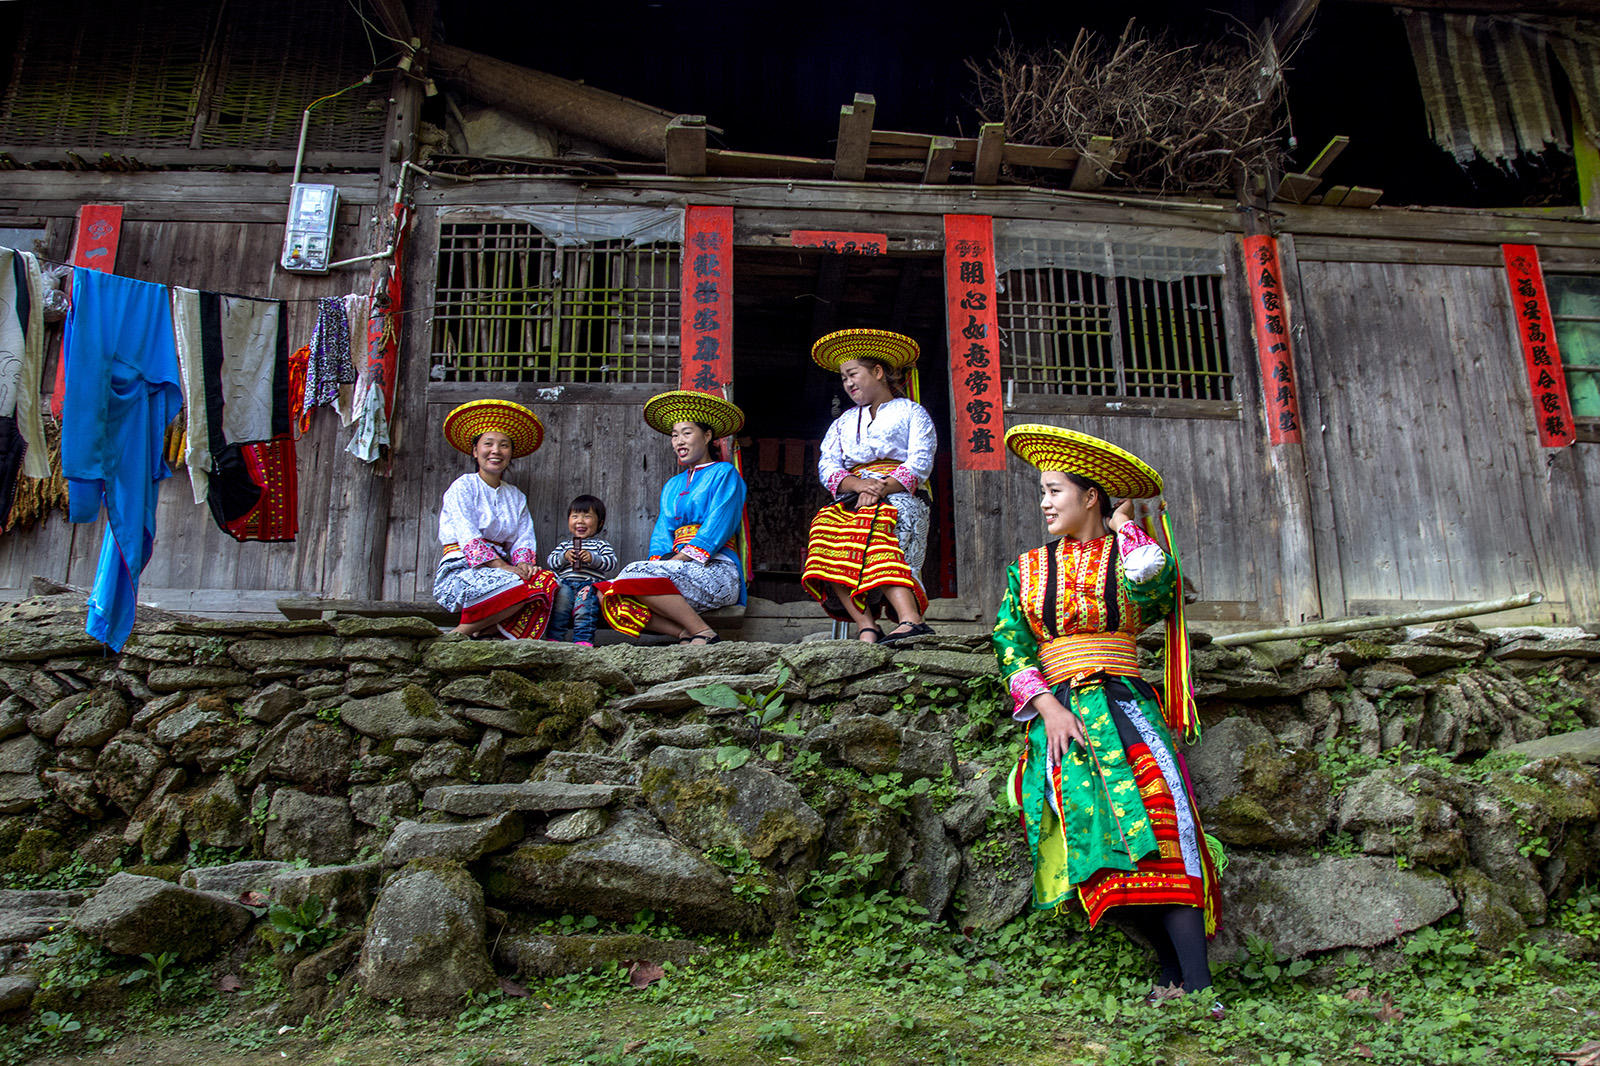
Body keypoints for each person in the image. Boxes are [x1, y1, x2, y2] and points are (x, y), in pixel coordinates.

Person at [992, 423, 1223, 1014]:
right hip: (1062, 720)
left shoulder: (1129, 559)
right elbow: (1011, 645)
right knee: (1097, 848)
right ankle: (1170, 976)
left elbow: (1161, 588)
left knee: (1164, 837)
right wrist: (1048, 708)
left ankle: (1197, 986)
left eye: (1055, 492)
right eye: (1043, 493)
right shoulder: (1027, 568)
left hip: (1124, 707)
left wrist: (1128, 530)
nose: (1045, 504)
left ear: (1090, 497)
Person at [800, 328, 938, 644]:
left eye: (853, 374)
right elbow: (828, 465)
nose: (848, 383)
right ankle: (866, 625)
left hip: (900, 493)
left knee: (876, 524)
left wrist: (880, 488)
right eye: (843, 378)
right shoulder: (843, 422)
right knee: (824, 534)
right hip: (855, 495)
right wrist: (861, 486)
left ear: (877, 372)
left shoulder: (912, 412)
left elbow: (920, 460)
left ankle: (911, 620)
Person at [597, 390, 747, 645]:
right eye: (675, 435)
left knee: (633, 574)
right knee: (606, 592)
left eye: (686, 433)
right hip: (676, 569)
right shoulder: (672, 485)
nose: (679, 441)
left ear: (707, 436)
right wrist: (660, 562)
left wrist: (679, 560)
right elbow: (662, 532)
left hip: (715, 568)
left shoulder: (724, 473)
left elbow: (718, 525)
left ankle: (705, 632)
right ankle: (684, 633)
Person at [432, 399, 559, 639]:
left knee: (546, 582)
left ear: (511, 453)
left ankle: (484, 630)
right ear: (475, 451)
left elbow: (523, 538)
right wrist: (503, 567)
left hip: (503, 571)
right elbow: (467, 534)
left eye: (504, 445)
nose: (496, 451)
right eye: (488, 443)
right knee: (516, 586)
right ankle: (459, 633)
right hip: (463, 570)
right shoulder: (463, 487)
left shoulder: (516, 496)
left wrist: (523, 565)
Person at [545, 494, 619, 647]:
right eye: (575, 516)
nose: (580, 521)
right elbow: (551, 562)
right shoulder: (565, 546)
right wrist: (565, 557)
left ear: (600, 523)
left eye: (587, 517)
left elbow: (611, 563)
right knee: (560, 607)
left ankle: (583, 641)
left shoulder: (601, 545)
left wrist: (593, 558)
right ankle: (554, 639)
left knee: (584, 609)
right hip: (565, 584)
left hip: (589, 584)